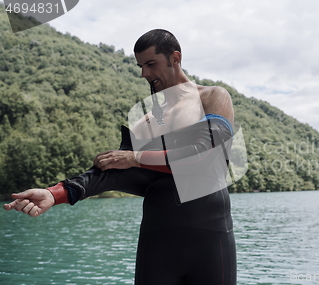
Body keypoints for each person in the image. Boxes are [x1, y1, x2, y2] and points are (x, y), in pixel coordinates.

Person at [3, 29, 237, 285]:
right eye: (140, 66)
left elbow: (207, 155)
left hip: (211, 235)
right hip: (157, 240)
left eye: (150, 64)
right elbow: (111, 172)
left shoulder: (212, 96)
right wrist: (54, 193)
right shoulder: (144, 122)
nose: (144, 74)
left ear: (175, 58)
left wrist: (136, 158)